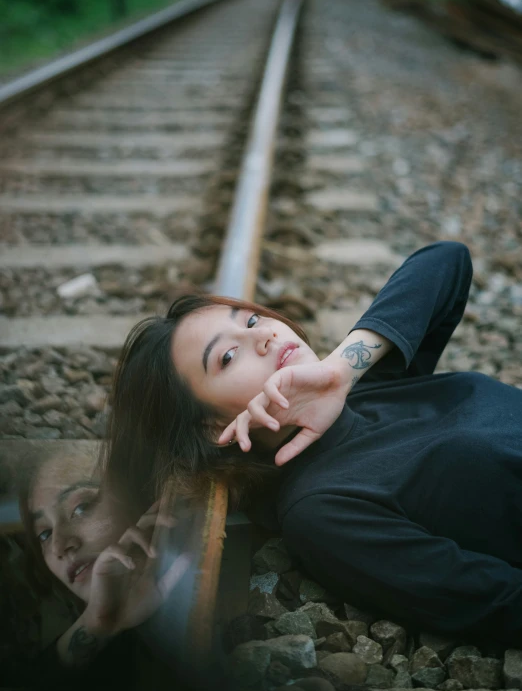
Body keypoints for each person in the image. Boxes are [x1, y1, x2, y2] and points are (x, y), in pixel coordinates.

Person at [102, 241, 522, 650]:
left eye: (249, 321)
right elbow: (496, 601)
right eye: (228, 357)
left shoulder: (363, 388)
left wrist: (343, 368)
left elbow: (448, 260)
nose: (263, 335)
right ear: (213, 427)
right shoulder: (323, 510)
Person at [14, 445, 342, 691]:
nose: (59, 545)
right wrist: (98, 622)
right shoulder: (80, 643)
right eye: (43, 533)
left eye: (81, 508)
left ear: (147, 502)